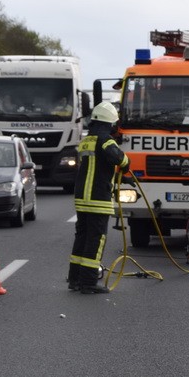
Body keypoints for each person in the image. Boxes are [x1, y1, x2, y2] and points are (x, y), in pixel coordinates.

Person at [68, 101, 131, 294]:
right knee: (96, 240)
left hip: (82, 198)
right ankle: (88, 283)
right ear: (109, 122)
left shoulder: (87, 140)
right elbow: (120, 159)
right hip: (98, 199)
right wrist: (126, 165)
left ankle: (75, 279)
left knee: (82, 237)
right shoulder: (105, 140)